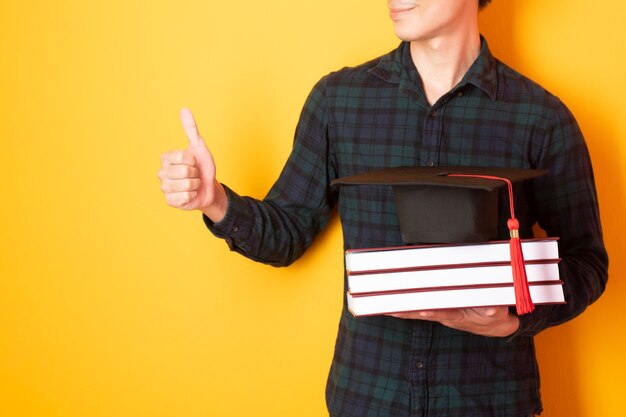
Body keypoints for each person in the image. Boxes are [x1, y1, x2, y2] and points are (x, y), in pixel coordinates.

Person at [158, 0, 608, 416]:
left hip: (490, 401)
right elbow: (288, 232)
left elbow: (586, 262)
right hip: (367, 398)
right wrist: (215, 201)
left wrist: (514, 317)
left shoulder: (542, 118)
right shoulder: (338, 101)